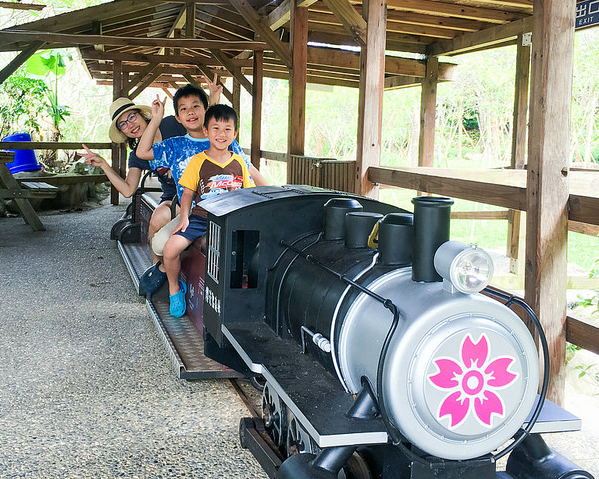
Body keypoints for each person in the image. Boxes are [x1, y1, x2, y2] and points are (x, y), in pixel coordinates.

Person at [135, 84, 268, 295]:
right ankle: (166, 273)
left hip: (226, 212)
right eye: (184, 109)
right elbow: (142, 152)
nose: (190, 112)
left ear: (206, 111)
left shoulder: (224, 141)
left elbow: (250, 171)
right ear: (177, 117)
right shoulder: (175, 145)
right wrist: (156, 119)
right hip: (191, 214)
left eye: (196, 106)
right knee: (160, 245)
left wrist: (275, 193)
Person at [79, 75, 221, 268]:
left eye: (131, 117)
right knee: (157, 220)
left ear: (141, 115)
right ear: (122, 132)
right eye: (123, 124)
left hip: (204, 189)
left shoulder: (171, 123)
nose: (130, 125)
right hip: (175, 197)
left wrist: (213, 100)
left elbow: (202, 126)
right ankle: (157, 270)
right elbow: (128, 190)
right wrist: (104, 164)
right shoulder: (138, 155)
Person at [163, 104, 254, 318]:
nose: (221, 134)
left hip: (232, 220)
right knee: (169, 249)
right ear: (206, 131)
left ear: (235, 133)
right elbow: (187, 194)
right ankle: (174, 289)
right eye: (216, 128)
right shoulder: (198, 161)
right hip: (200, 218)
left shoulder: (239, 161)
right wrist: (184, 217)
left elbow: (248, 194)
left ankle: (237, 299)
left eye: (227, 129)